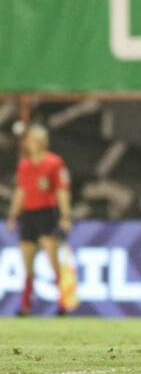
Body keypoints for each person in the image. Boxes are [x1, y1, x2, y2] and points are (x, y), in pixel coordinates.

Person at [6, 124, 72, 316]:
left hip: (46, 214)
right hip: (29, 216)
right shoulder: (24, 165)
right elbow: (21, 191)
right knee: (27, 262)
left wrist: (65, 216)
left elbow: (62, 191)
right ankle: (25, 306)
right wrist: (13, 216)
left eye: (31, 140)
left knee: (53, 260)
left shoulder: (54, 163)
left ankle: (63, 303)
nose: (28, 143)